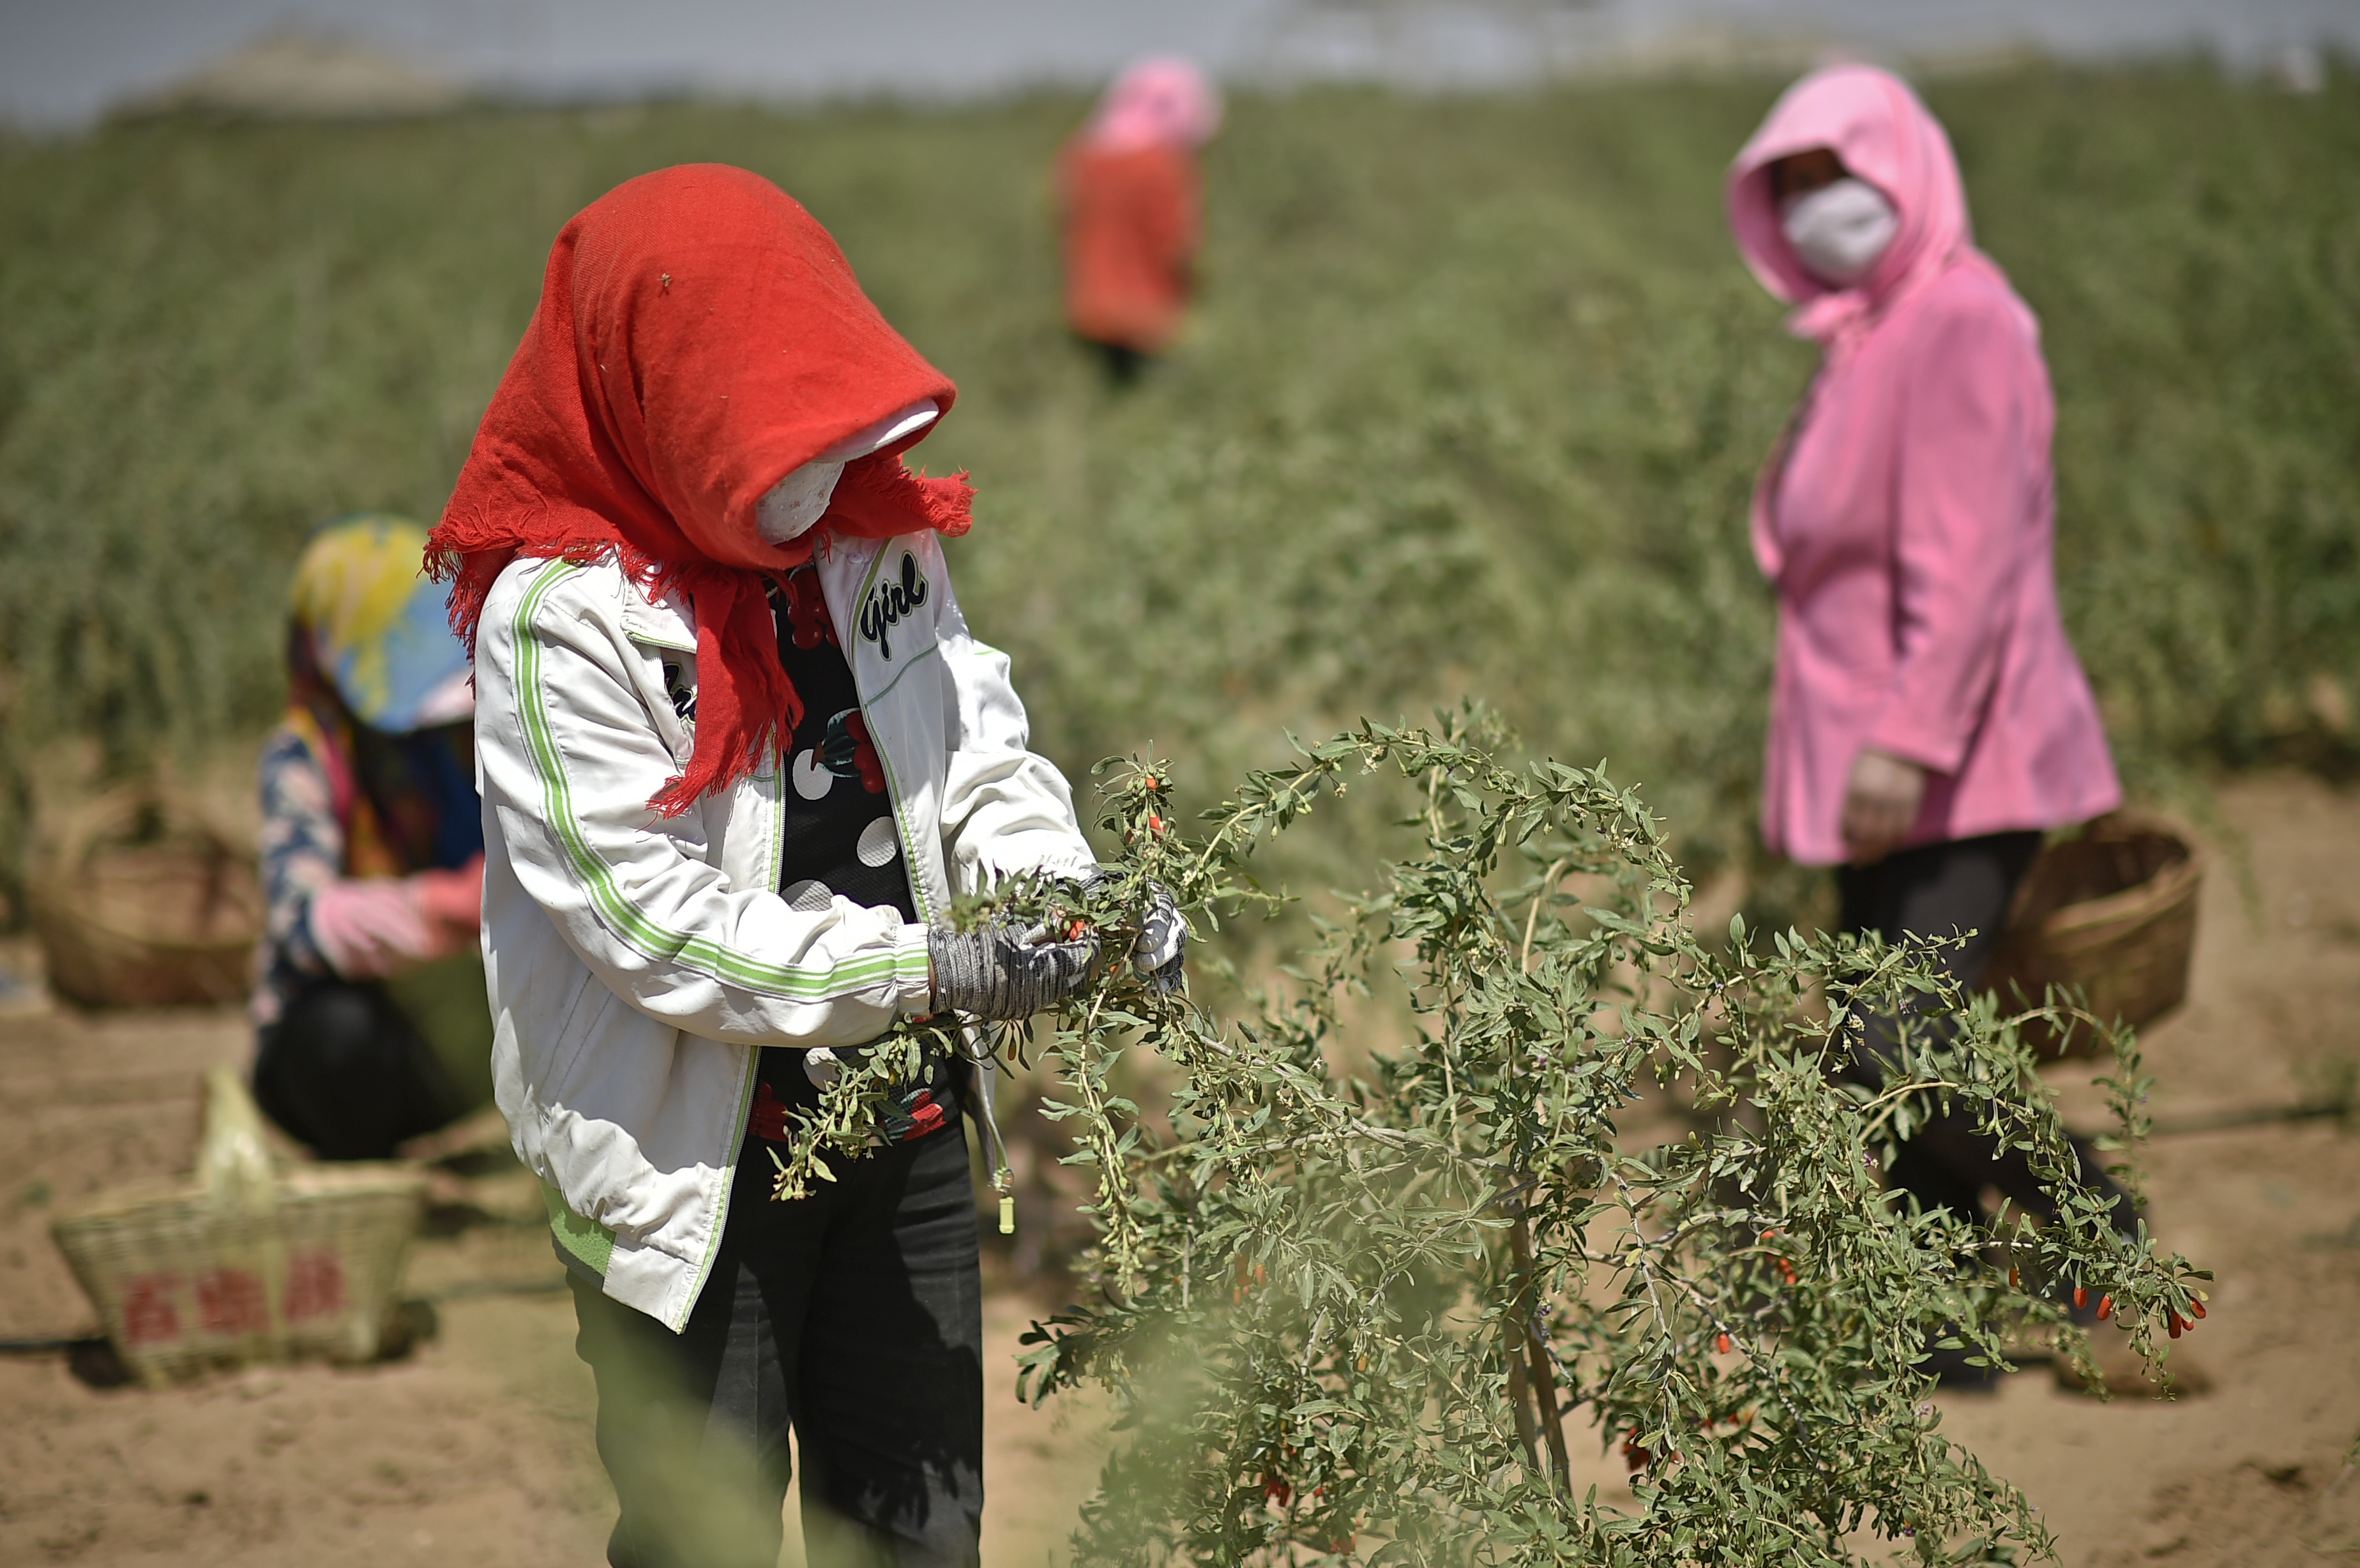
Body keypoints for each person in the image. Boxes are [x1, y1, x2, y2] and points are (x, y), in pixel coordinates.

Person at [430, 164, 1182, 1567]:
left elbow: (973, 742)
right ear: (663, 402)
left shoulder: (868, 531)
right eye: (772, 441)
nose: (817, 477)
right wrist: (939, 968)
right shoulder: (560, 622)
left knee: (917, 1529)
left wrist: (1066, 896)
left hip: (902, 1133)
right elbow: (647, 921)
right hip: (683, 1170)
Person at [1726, 68, 2137, 1366]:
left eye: (1835, 180)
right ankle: (1939, 1319)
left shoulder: (1967, 321)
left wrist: (1903, 737)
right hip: (1878, 769)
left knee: (1908, 1038)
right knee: (1874, 1043)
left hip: (1961, 759)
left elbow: (1974, 563)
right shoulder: (1868, 333)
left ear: (1907, 176)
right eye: (1788, 189)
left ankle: (2107, 1236)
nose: (1814, 212)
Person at [252, 513, 489, 1161]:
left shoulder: (453, 742)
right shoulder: (302, 760)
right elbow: (302, 925)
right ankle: (360, 1155)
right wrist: (439, 906)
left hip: (445, 1016)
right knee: (339, 1035)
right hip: (344, 1046)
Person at [1057, 56, 1222, 384]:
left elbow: (1065, 218)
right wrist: (1194, 280)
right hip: (1147, 310)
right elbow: (1175, 241)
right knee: (1153, 389)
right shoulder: (1161, 164)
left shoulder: (1082, 155)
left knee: (1107, 387)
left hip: (1091, 307)